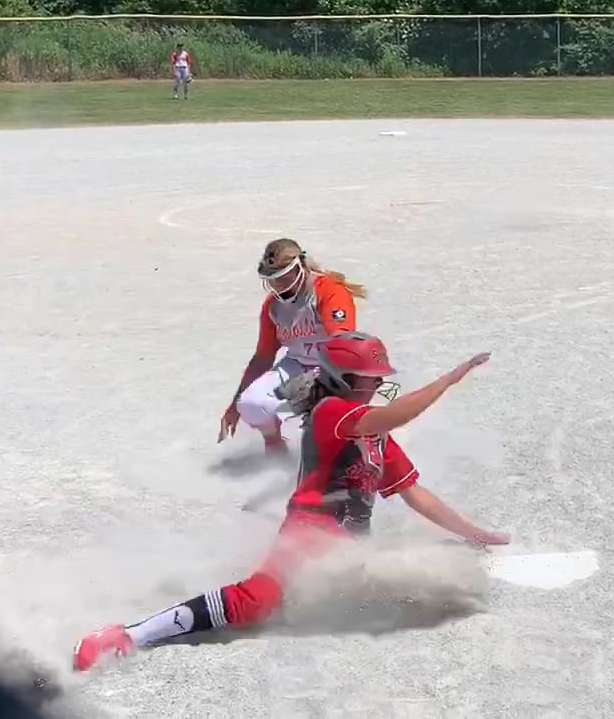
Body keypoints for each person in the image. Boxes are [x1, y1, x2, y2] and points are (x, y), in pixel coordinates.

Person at [74, 332, 507, 671]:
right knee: (255, 602)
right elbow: (397, 413)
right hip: (309, 533)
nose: (380, 382)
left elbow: (416, 494)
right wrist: (448, 380)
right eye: (372, 376)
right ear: (343, 379)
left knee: (381, 597)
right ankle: (127, 635)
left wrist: (475, 534)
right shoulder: (331, 413)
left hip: (349, 545)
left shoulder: (375, 438)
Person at [219, 239, 366, 455]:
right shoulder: (273, 307)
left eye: (283, 276)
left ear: (300, 267)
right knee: (250, 404)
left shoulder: (328, 291)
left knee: (323, 419)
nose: (277, 285)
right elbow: (263, 357)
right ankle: (275, 448)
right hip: (297, 363)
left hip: (334, 366)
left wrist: (316, 386)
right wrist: (234, 407)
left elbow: (342, 343)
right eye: (272, 279)